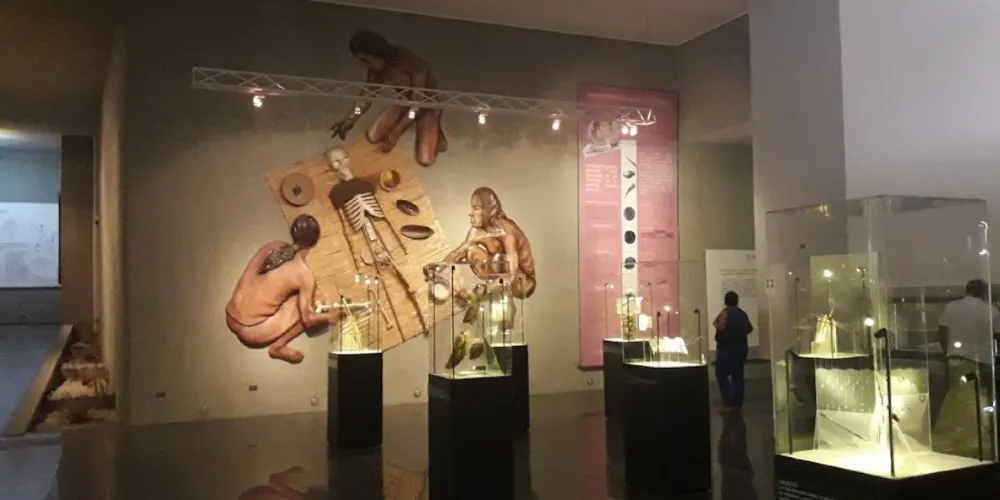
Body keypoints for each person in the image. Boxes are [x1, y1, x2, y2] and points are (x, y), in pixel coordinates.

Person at [329, 29, 447, 167]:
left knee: (425, 159)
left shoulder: (412, 64)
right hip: (405, 104)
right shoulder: (375, 70)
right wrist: (350, 119)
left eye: (364, 59)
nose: (364, 65)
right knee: (373, 136)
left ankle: (435, 131)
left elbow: (416, 107)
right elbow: (365, 98)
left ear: (374, 53)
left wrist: (396, 133)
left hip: (426, 107)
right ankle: (431, 134)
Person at [225, 214, 333, 364]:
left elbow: (250, 276)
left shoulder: (272, 246)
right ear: (314, 244)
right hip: (250, 330)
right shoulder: (304, 275)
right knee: (317, 298)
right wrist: (333, 316)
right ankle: (278, 347)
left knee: (289, 294)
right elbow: (308, 320)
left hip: (230, 314)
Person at [934, 278, 999, 458]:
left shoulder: (952, 307)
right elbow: (998, 335)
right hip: (983, 361)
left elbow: (942, 332)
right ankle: (980, 444)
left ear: (967, 290)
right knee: (981, 401)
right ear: (984, 292)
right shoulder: (991, 310)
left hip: (956, 360)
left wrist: (947, 351)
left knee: (958, 401)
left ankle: (955, 443)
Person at [713, 291, 753, 411]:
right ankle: (737, 403)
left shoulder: (725, 313)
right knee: (738, 375)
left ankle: (727, 401)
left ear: (726, 301)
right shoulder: (742, 313)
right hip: (741, 349)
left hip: (727, 349)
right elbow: (749, 328)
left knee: (721, 374)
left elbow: (718, 325)